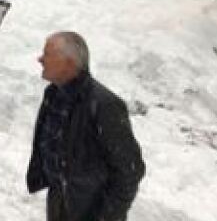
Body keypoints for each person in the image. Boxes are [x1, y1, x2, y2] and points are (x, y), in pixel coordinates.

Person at [28, 31, 145, 221]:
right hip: (60, 201)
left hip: (91, 209)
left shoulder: (104, 105)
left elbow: (130, 170)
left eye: (47, 54)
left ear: (69, 62)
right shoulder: (53, 94)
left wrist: (108, 216)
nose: (40, 59)